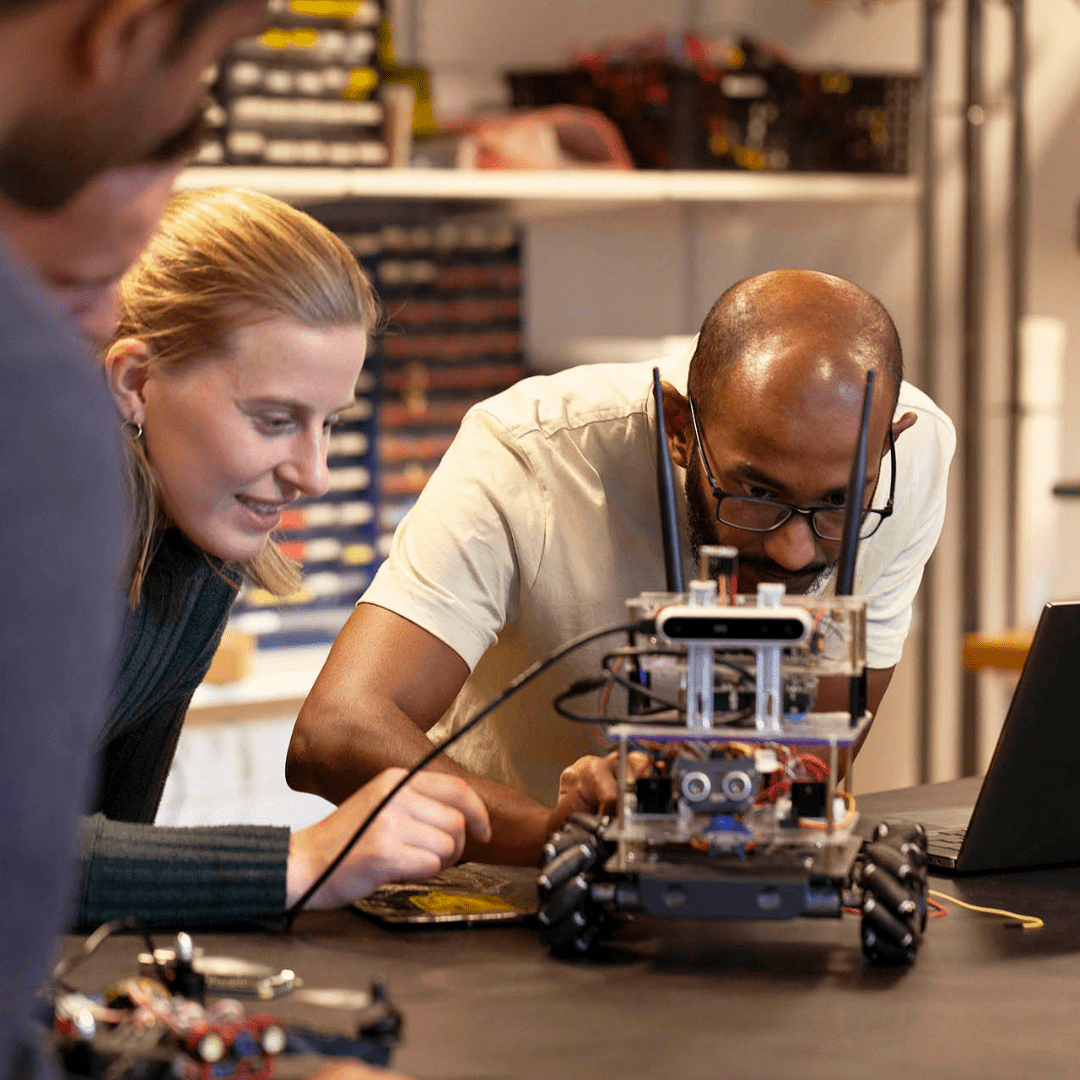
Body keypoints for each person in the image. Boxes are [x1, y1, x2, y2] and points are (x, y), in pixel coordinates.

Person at [286, 269, 956, 865]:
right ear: (677, 428)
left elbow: (816, 752)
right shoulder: (531, 453)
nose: (794, 551)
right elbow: (335, 731)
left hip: (733, 905)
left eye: (837, 504)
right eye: (757, 495)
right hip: (511, 892)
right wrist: (556, 830)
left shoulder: (909, 458)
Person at [53, 185, 485, 930]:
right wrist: (304, 860)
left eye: (329, 423)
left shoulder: (198, 558)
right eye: (276, 420)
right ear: (135, 383)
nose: (313, 473)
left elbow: (97, 878)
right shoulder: (33, 542)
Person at [0, 0, 278, 1072]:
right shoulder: (32, 408)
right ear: (123, 31)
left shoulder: (199, 570)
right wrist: (289, 862)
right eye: (208, 59)